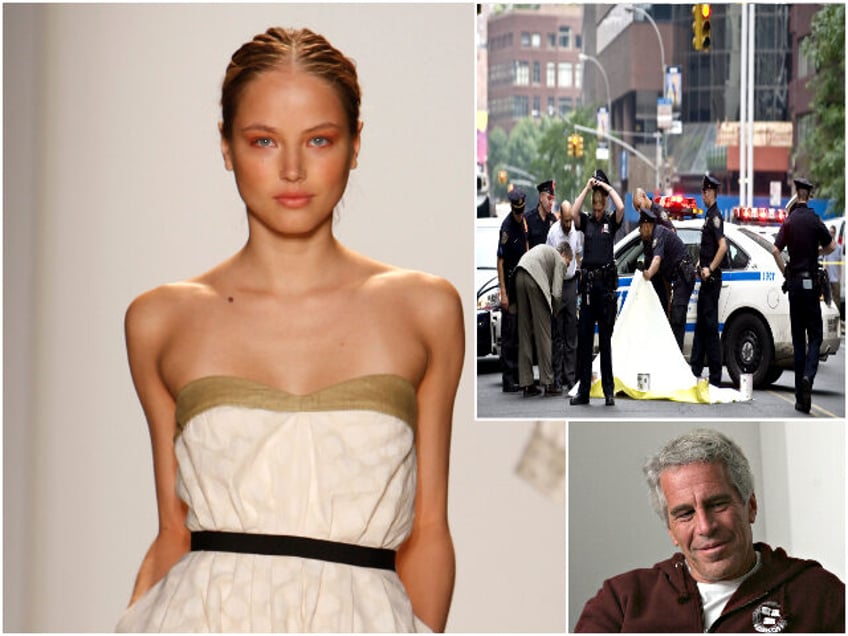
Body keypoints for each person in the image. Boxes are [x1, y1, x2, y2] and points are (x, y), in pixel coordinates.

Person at [115, 27, 463, 633]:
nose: (293, 168)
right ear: (226, 146)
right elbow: (174, 533)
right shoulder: (161, 320)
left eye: (320, 140)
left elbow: (429, 531)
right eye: (264, 140)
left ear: (355, 145)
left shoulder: (425, 310)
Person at [575, 428, 846, 633]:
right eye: (685, 514)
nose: (705, 527)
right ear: (671, 530)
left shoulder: (818, 597)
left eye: (717, 504)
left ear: (750, 506)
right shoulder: (621, 602)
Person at [771, 177, 835, 414]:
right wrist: (816, 250)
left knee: (799, 341)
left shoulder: (789, 222)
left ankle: (801, 399)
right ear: (809, 196)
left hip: (794, 285)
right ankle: (809, 375)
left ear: (797, 194)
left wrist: (786, 272)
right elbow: (830, 248)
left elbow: (775, 250)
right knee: (815, 336)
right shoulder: (815, 221)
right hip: (810, 284)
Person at [569, 169, 625, 407]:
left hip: (604, 289)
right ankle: (583, 391)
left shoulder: (610, 222)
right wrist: (587, 187)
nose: (598, 210)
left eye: (601, 206)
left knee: (605, 343)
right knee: (584, 341)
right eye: (596, 206)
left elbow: (621, 208)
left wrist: (607, 187)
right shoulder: (588, 222)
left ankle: (608, 391)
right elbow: (573, 212)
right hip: (589, 288)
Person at [514, 242, 572, 397]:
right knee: (544, 335)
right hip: (535, 280)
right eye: (568, 263)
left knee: (524, 333)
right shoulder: (559, 259)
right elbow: (557, 293)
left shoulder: (545, 251)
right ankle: (548, 382)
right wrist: (555, 311)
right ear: (564, 255)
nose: (566, 268)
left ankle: (526, 382)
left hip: (519, 273)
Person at [638, 207, 695, 350]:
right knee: (667, 314)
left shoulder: (659, 233)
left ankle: (677, 358)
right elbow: (652, 264)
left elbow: (656, 260)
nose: (639, 231)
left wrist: (648, 273)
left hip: (684, 274)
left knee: (677, 316)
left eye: (640, 227)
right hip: (673, 278)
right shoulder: (647, 241)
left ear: (647, 225)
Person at [690, 174, 726, 387]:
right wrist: (699, 264)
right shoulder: (709, 216)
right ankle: (694, 369)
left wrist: (709, 269)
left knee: (710, 329)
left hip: (711, 281)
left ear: (710, 192)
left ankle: (715, 377)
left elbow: (723, 247)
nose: (702, 195)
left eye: (704, 191)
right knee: (701, 326)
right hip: (706, 281)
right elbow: (710, 247)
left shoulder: (715, 217)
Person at [547, 200, 583, 392]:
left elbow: (577, 255)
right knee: (557, 334)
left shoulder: (575, 231)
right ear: (560, 216)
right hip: (557, 284)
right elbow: (548, 259)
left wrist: (580, 274)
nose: (569, 225)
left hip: (570, 284)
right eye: (566, 221)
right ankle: (557, 378)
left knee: (571, 333)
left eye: (571, 221)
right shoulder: (553, 233)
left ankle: (570, 378)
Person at [497, 187, 530, 392]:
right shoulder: (507, 227)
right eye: (517, 212)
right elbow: (500, 262)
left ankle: (519, 375)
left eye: (522, 211)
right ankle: (508, 379)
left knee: (520, 334)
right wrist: (503, 292)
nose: (519, 215)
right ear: (512, 209)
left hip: (522, 283)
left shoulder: (523, 223)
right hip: (510, 284)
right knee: (509, 335)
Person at [634, 187, 675, 314]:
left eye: (639, 206)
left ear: (645, 196)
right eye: (637, 209)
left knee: (662, 308)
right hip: (652, 271)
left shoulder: (658, 211)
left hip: (661, 271)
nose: (639, 211)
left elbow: (672, 232)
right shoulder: (644, 217)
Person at [525, 180, 557, 248]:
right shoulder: (528, 219)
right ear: (541, 197)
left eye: (552, 199)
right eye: (549, 198)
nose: (551, 202)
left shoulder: (553, 220)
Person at [825, 225, 842, 316]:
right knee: (829, 298)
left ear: (835, 233)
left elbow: (839, 263)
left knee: (837, 298)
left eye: (832, 232)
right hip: (829, 276)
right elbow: (826, 263)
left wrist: (839, 276)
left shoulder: (838, 248)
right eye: (830, 232)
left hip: (835, 278)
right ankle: (831, 315)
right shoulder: (827, 246)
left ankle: (838, 315)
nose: (831, 234)